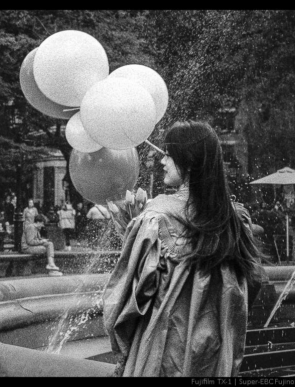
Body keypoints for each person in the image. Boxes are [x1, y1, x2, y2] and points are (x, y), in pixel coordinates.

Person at [101, 121, 265, 377]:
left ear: (188, 161)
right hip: (214, 357)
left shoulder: (155, 219)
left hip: (163, 356)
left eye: (168, 154)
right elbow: (248, 289)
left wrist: (130, 243)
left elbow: (127, 303)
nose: (162, 161)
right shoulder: (235, 221)